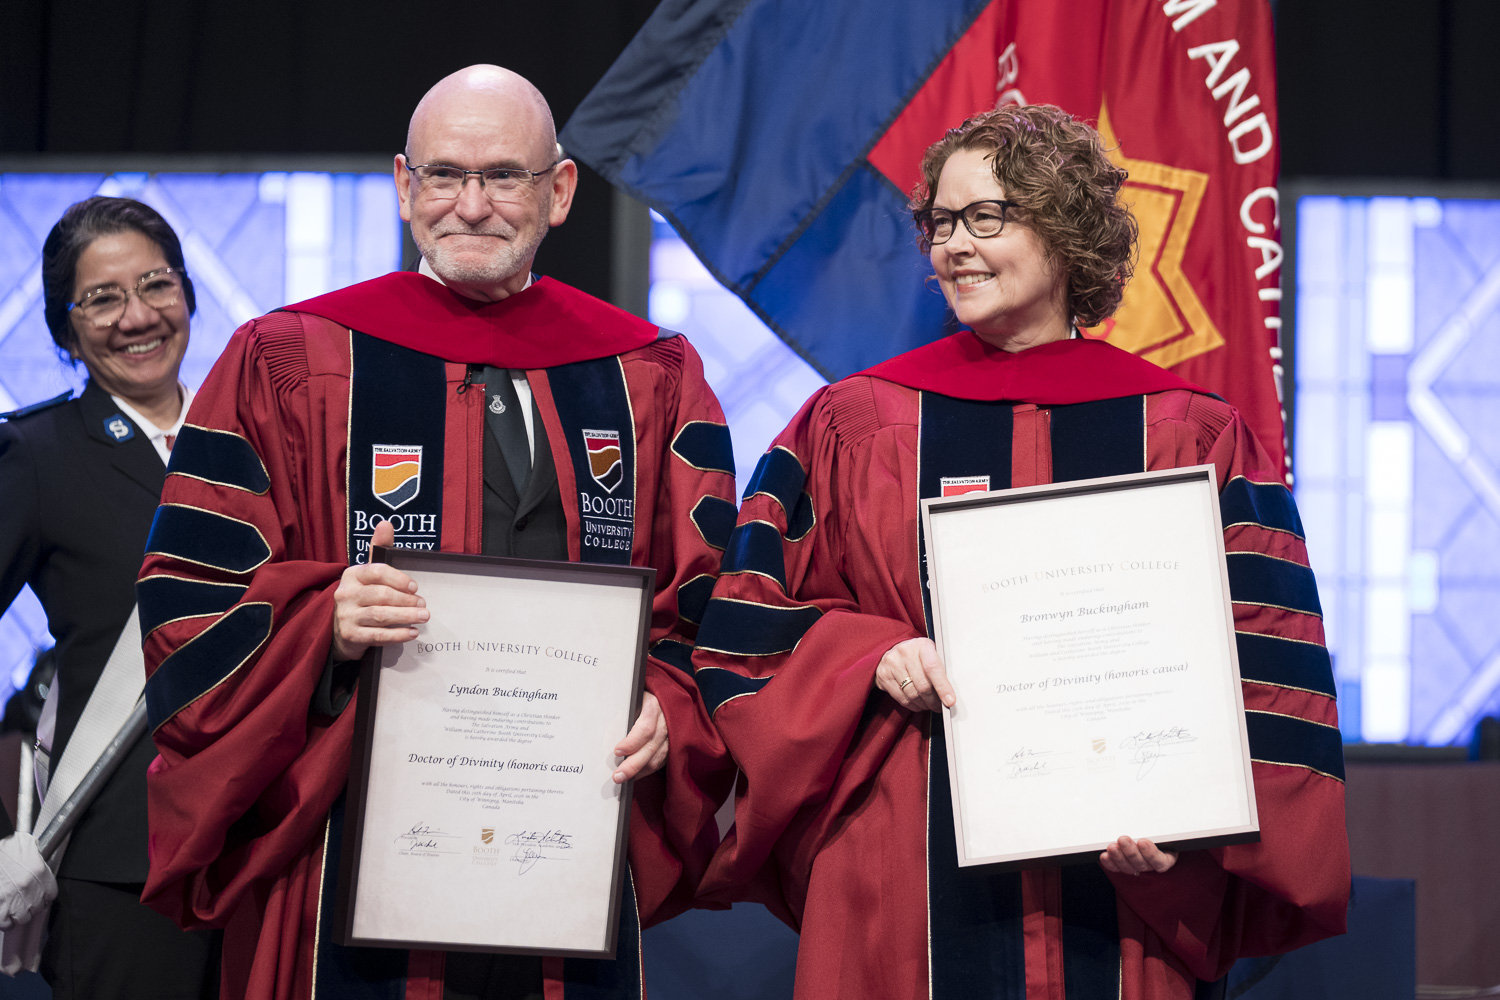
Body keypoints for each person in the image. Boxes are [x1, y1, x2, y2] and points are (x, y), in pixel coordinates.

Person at [693, 104, 1349, 1000]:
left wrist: (1193, 827)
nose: (954, 246)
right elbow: (751, 621)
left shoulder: (1189, 436)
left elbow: (1268, 664)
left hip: (1122, 891)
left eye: (986, 217)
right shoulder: (857, 424)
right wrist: (869, 653)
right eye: (940, 222)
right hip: (905, 861)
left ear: (1066, 229)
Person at [135, 65, 736, 1000]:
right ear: (403, 185)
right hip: (347, 838)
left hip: (569, 836)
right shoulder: (291, 358)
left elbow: (705, 606)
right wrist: (321, 622)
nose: (472, 204)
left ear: (559, 191)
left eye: (504, 177)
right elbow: (190, 594)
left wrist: (665, 704)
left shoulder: (645, 373)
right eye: (445, 174)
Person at [0, 196, 219, 997]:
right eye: (101, 298)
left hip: (260, 842)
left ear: (187, 292)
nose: (138, 317)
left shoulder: (253, 440)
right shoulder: (36, 453)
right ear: (65, 331)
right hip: (120, 858)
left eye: (156, 284)